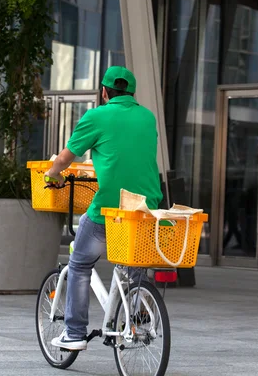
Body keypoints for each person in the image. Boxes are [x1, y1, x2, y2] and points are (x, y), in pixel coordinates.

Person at [44, 66, 163, 351]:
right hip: (146, 208)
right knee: (132, 266)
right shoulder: (148, 117)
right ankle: (133, 320)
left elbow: (64, 158)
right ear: (132, 93)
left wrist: (53, 174)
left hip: (109, 207)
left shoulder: (96, 116)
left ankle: (73, 333)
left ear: (105, 92)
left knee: (80, 263)